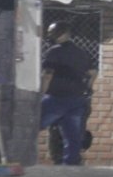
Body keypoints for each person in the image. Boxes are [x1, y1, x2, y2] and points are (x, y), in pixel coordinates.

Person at [40, 21, 97, 165]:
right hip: (77, 99)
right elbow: (93, 72)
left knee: (32, 124)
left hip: (56, 98)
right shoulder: (81, 52)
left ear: (62, 33)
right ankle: (71, 165)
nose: (50, 35)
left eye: (52, 32)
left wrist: (41, 93)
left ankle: (15, 156)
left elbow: (47, 75)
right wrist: (87, 87)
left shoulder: (54, 51)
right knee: (73, 136)